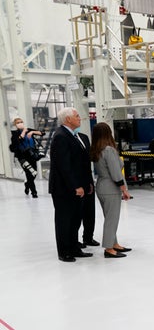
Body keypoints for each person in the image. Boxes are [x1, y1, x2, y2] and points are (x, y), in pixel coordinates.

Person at [48, 107, 94, 262]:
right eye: (77, 116)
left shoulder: (73, 136)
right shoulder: (61, 136)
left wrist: (86, 183)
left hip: (76, 187)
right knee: (64, 220)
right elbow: (64, 166)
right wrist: (76, 186)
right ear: (68, 119)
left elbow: (79, 164)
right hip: (64, 189)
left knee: (75, 219)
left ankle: (74, 247)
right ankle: (64, 251)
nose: (80, 118)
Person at [89, 122, 132, 258]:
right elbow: (115, 173)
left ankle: (114, 243)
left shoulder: (97, 149)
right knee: (112, 219)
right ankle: (108, 248)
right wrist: (124, 189)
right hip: (111, 187)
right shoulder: (109, 150)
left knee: (110, 217)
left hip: (101, 186)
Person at [10, 117, 43, 198]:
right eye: (18, 122)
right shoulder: (14, 134)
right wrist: (23, 132)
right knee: (29, 173)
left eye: (21, 122)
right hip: (22, 157)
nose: (20, 123)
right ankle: (34, 193)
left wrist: (32, 132)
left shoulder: (28, 130)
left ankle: (27, 184)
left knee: (34, 173)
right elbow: (17, 141)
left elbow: (41, 133)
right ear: (15, 125)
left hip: (32, 155)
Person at [78, 130, 100, 248]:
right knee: (77, 214)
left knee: (89, 211)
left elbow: (88, 159)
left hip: (87, 178)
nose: (79, 119)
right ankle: (74, 240)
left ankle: (88, 237)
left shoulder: (84, 137)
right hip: (76, 181)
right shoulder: (66, 138)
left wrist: (89, 181)